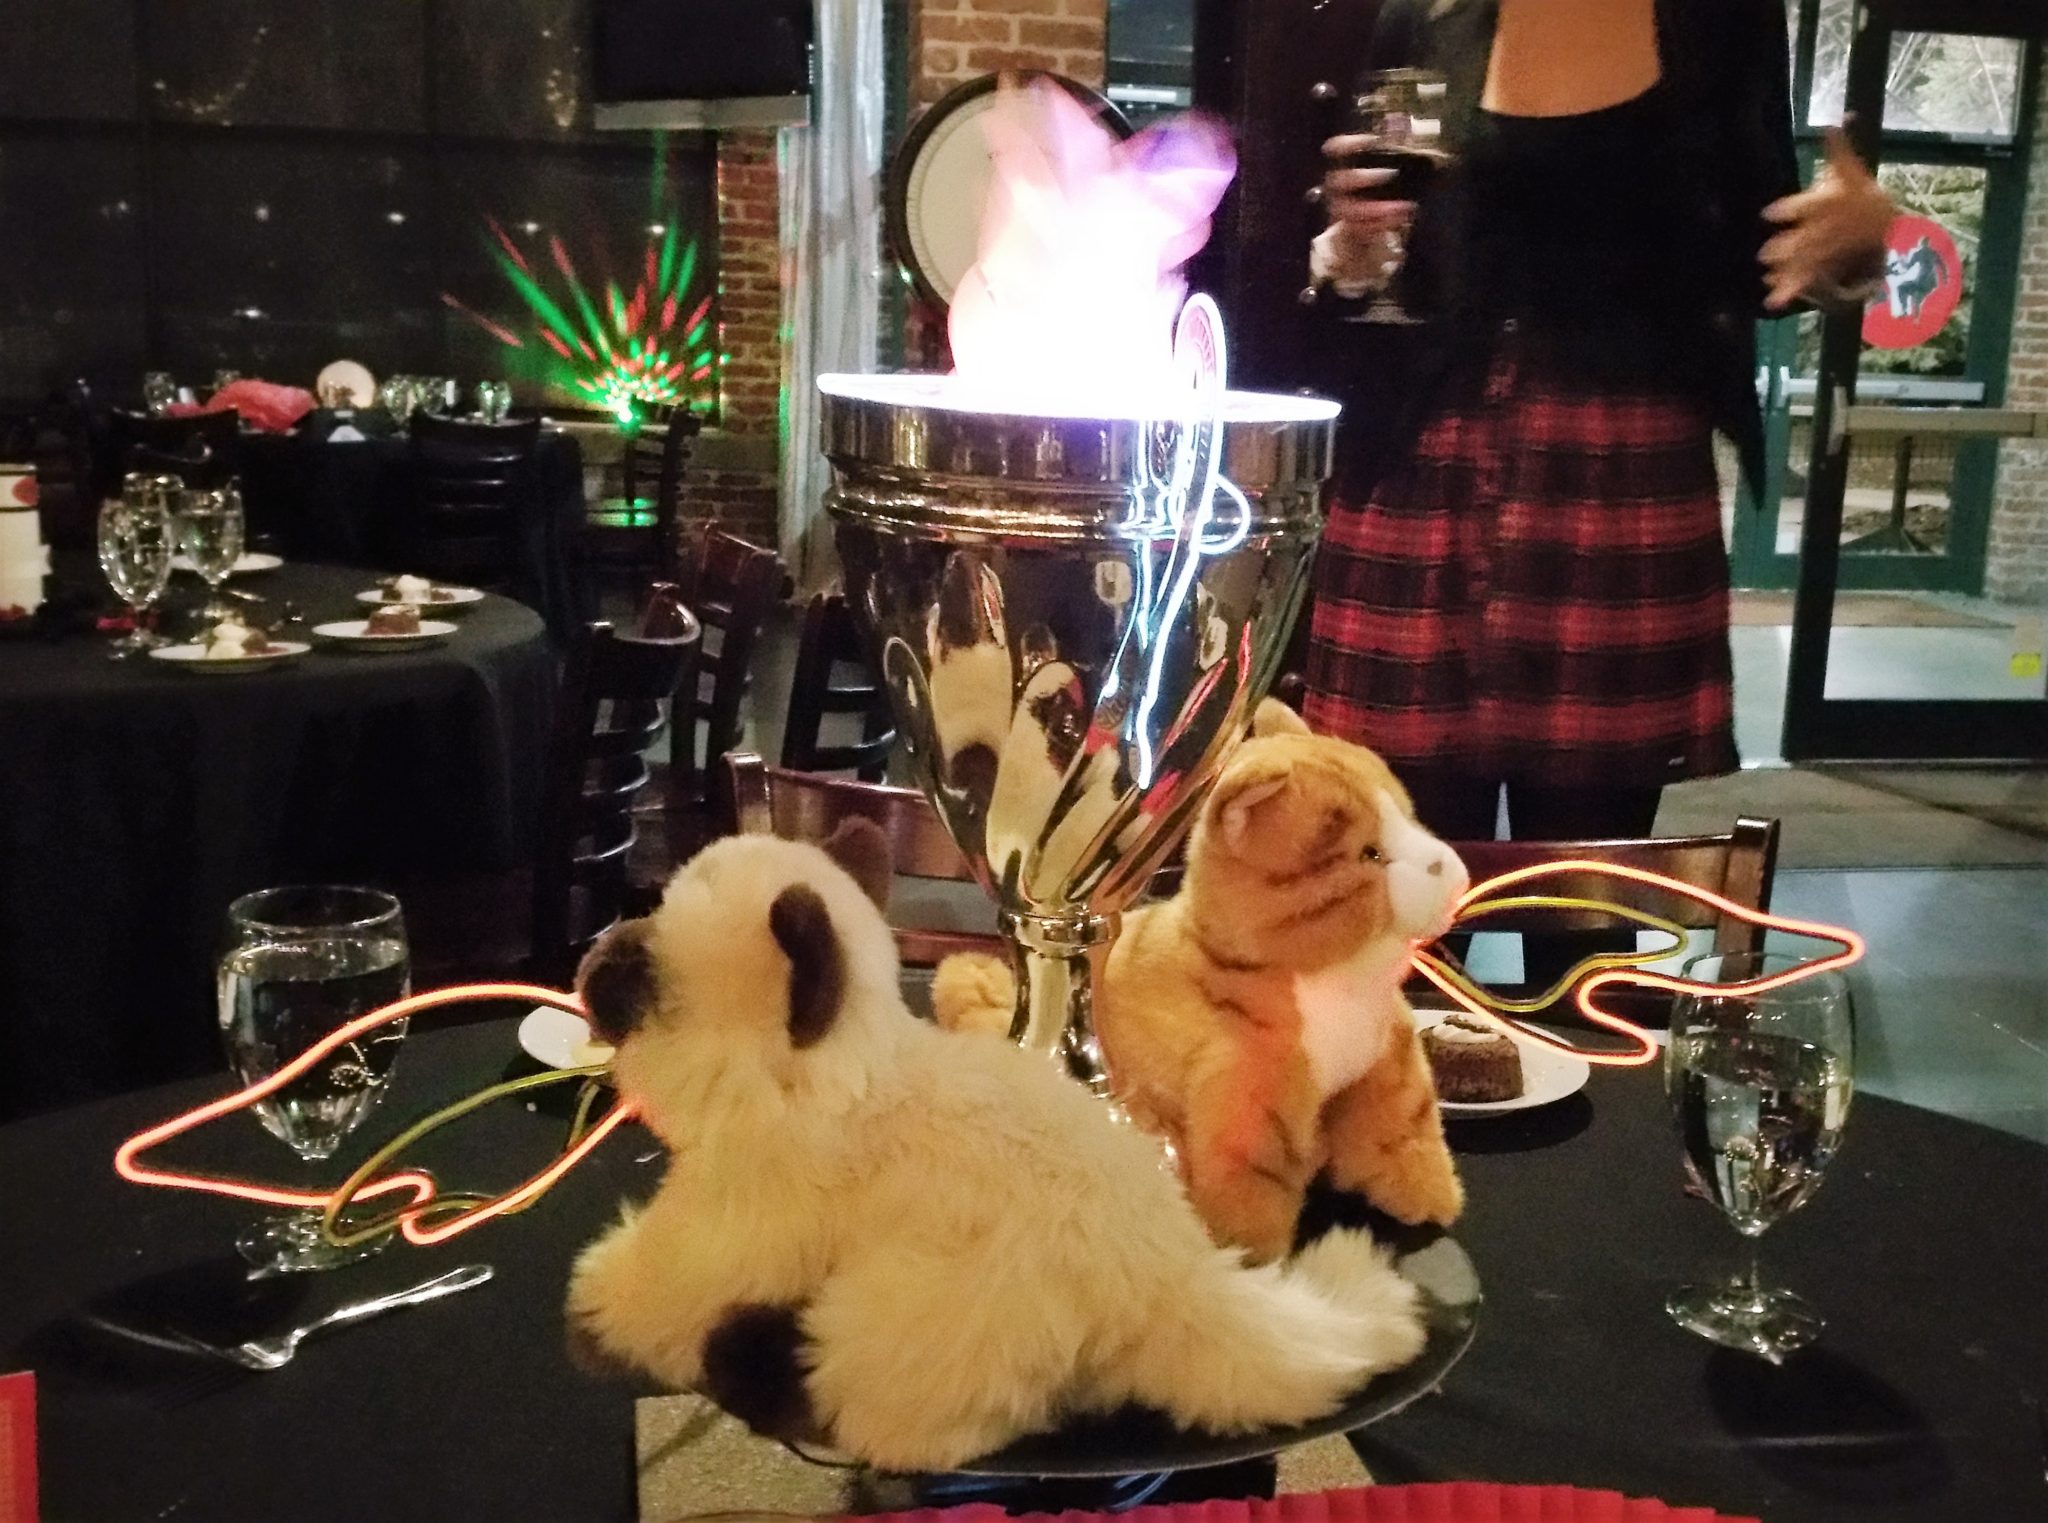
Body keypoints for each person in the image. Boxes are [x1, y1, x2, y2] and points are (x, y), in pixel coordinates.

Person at [1301, 0, 1891, 991]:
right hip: (1416, 482)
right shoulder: (1422, 14)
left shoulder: (1718, 22)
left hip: (1617, 496)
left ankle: (1575, 1096)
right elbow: (1373, 266)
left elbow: (1765, 257)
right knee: (1384, 931)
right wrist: (1346, 254)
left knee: (1586, 935)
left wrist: (1858, 248)